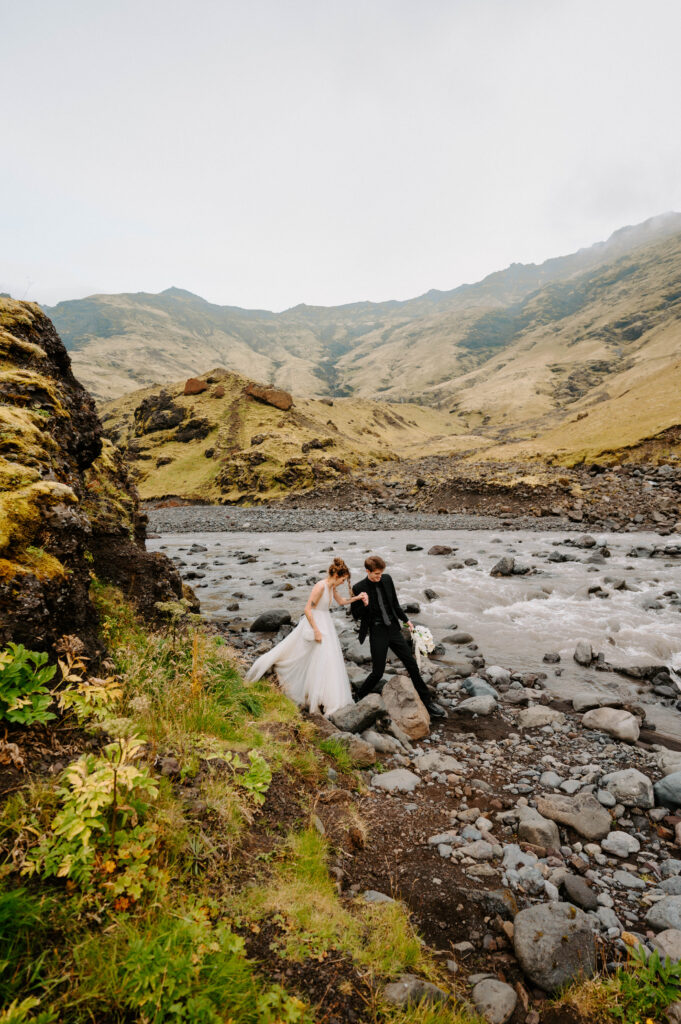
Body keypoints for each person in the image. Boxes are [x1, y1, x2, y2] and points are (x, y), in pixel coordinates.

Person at [245, 557, 368, 716]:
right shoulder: (320, 587)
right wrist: (316, 630)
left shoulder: (332, 588)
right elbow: (307, 610)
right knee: (315, 657)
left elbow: (342, 602)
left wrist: (358, 598)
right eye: (343, 580)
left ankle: (324, 696)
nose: (344, 583)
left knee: (327, 659)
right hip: (315, 623)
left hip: (326, 623)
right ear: (337, 576)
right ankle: (310, 693)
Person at [351, 554, 445, 717]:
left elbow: (394, 603)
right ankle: (359, 695)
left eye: (381, 573)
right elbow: (356, 615)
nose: (379, 577)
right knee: (377, 672)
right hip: (377, 631)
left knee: (412, 665)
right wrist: (364, 604)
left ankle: (427, 702)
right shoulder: (358, 588)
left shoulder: (387, 579)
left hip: (393, 629)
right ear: (368, 571)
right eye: (376, 574)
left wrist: (406, 620)